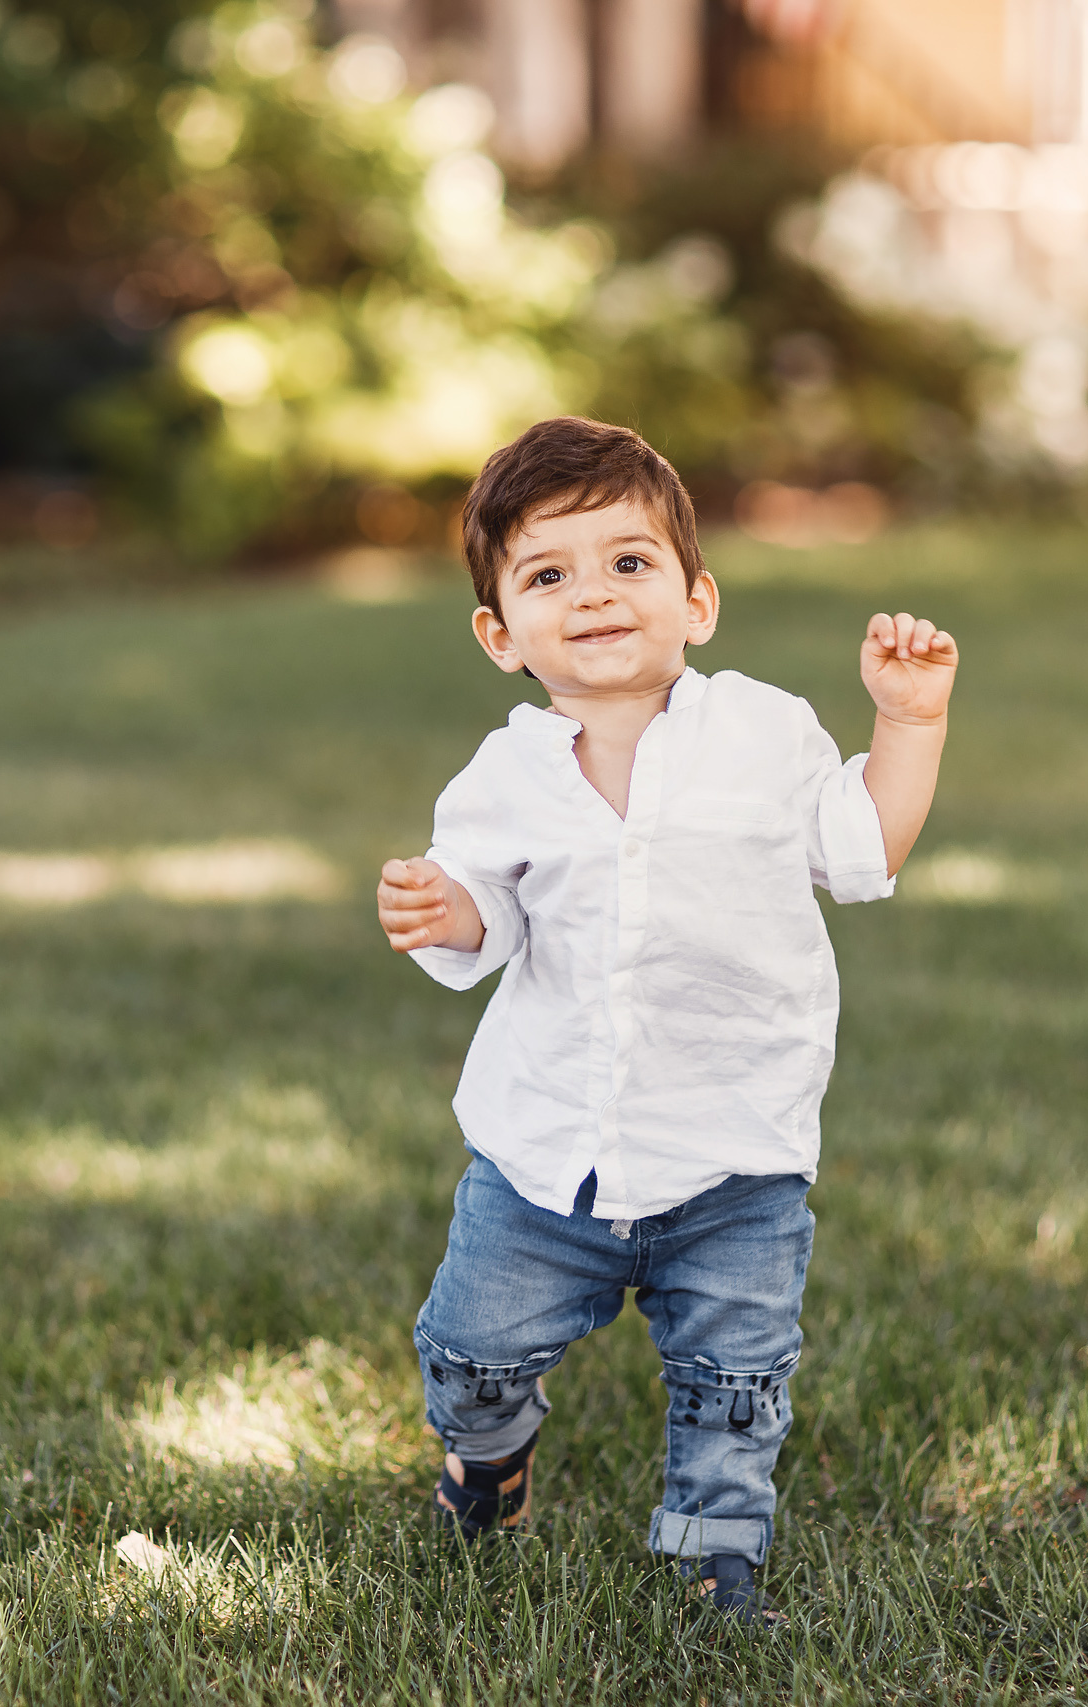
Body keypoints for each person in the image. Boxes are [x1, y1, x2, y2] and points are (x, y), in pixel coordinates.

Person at [375, 416, 957, 1625]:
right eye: (548, 575)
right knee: (469, 1355)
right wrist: (448, 910)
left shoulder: (763, 732)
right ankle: (485, 1465)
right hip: (544, 1158)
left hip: (733, 1148)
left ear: (696, 601)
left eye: (628, 563)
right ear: (499, 634)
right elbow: (490, 917)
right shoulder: (503, 779)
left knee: (733, 1380)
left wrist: (906, 725)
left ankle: (712, 1550)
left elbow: (862, 849)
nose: (592, 595)